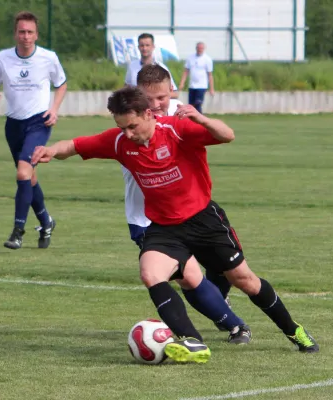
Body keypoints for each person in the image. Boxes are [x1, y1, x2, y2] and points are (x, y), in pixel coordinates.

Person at [31, 86, 319, 362]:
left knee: (245, 280)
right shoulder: (119, 142)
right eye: (122, 128)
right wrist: (51, 151)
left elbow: (227, 135)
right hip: (165, 228)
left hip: (204, 221)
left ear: (148, 114)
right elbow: (74, 145)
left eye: (132, 126)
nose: (127, 134)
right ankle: (193, 342)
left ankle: (294, 331)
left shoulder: (176, 130)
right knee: (150, 273)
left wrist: (201, 118)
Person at [134, 64, 247, 342]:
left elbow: (223, 136)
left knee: (221, 268)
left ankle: (221, 311)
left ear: (172, 91)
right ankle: (231, 325)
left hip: (194, 209)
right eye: (149, 99)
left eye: (162, 97)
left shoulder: (185, 116)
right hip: (145, 216)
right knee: (186, 275)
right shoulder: (132, 119)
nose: (157, 105)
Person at [0, 11, 67, 249]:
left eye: (30, 32)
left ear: (36, 35)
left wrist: (54, 109)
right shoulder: (2, 58)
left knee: (22, 174)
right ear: (15, 34)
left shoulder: (48, 58)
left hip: (39, 123)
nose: (26, 36)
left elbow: (61, 84)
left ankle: (18, 231)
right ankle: (46, 221)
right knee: (29, 178)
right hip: (13, 125)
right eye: (22, 32)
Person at [124, 33, 178, 98]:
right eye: (142, 45)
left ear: (153, 47)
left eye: (147, 45)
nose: (144, 48)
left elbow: (175, 93)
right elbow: (126, 87)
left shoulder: (161, 68)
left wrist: (155, 96)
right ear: (138, 47)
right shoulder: (132, 66)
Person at [178, 42, 214, 114]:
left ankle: (200, 121)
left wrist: (211, 88)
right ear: (196, 48)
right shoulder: (190, 58)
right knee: (191, 106)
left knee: (198, 104)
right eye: (198, 48)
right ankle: (191, 122)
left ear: (204, 49)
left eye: (201, 48)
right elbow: (186, 71)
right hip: (192, 85)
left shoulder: (207, 59)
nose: (200, 50)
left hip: (202, 86)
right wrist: (182, 83)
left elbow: (210, 75)